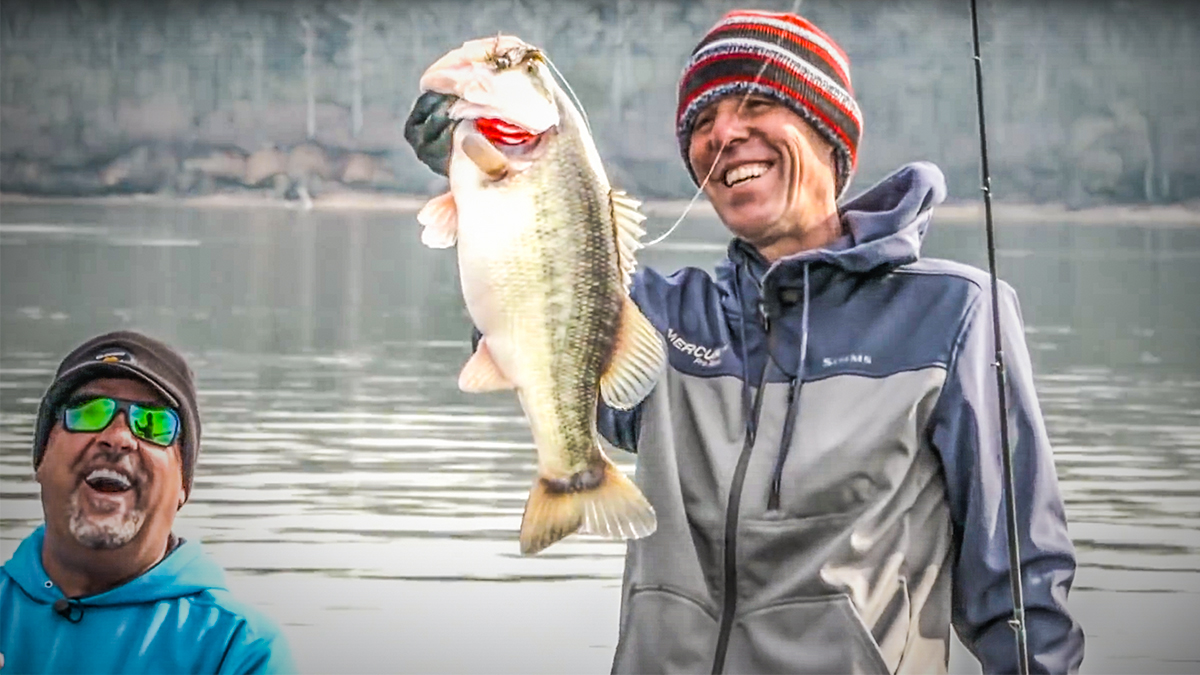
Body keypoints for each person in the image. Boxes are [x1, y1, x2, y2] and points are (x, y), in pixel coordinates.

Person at [405, 9, 1084, 674]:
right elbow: (531, 319)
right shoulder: (664, 314)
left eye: (757, 104)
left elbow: (1021, 582)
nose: (723, 133)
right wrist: (471, 163)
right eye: (702, 121)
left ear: (828, 134)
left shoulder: (953, 313)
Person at [0, 330, 295, 674]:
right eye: (88, 412)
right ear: (43, 456)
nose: (117, 438)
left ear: (183, 485)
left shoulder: (238, 649)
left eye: (152, 423)